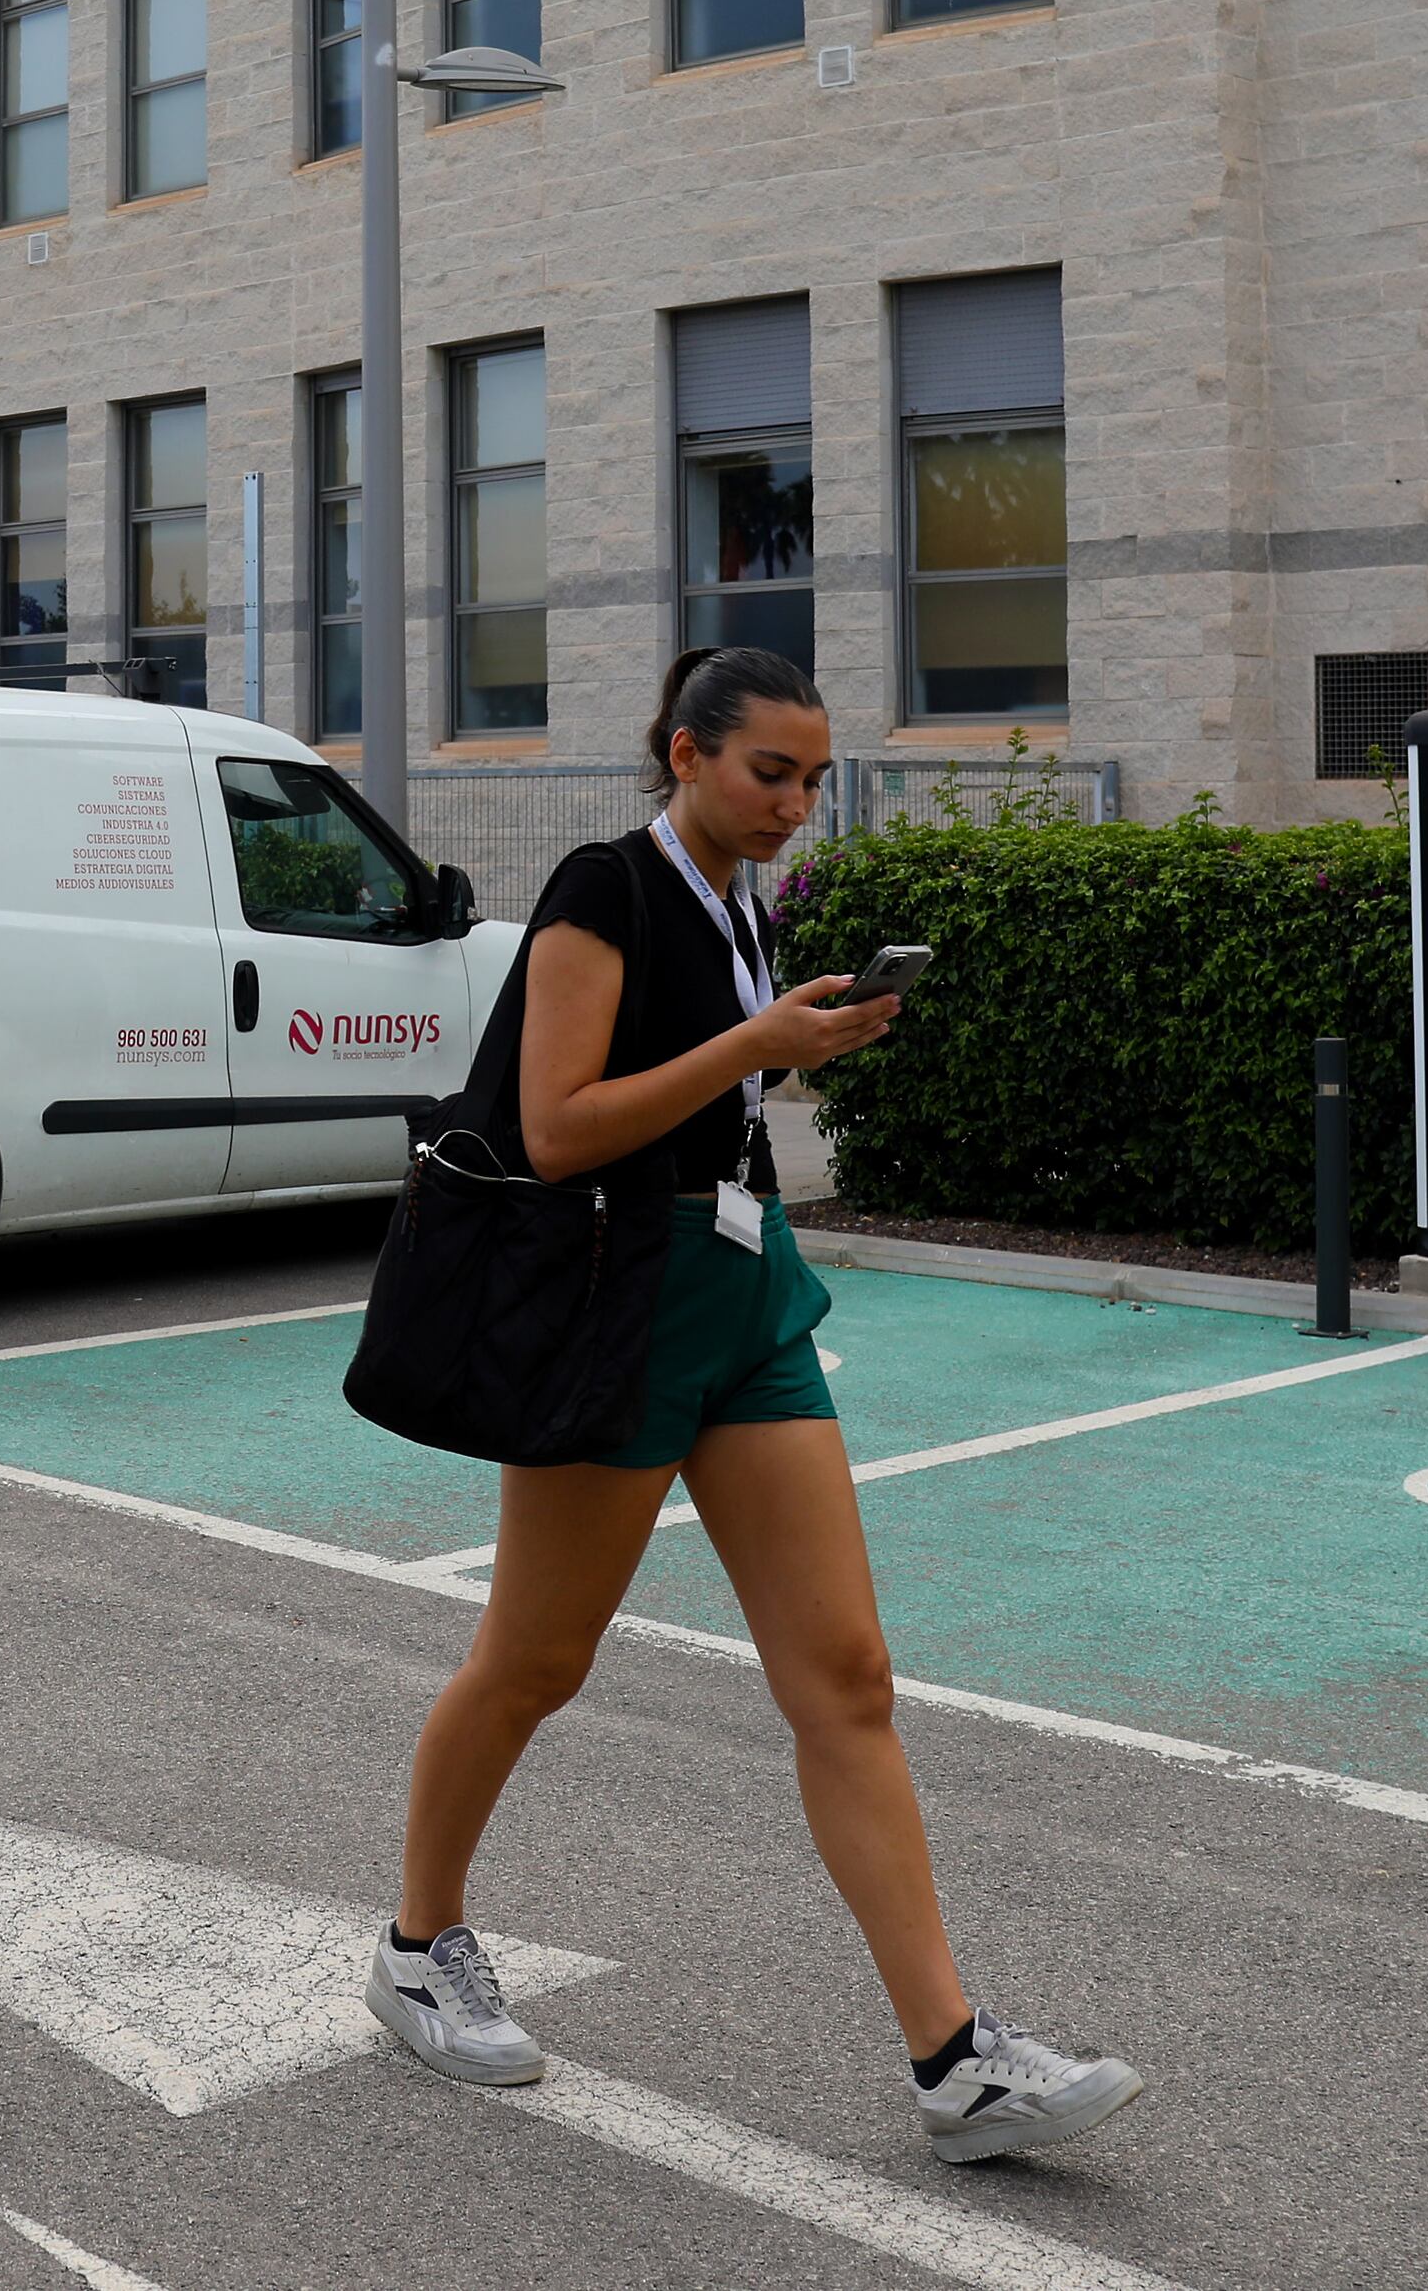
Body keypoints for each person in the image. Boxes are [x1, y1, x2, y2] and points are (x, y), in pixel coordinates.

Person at [363, 644, 1146, 2163]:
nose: (795, 803)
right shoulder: (606, 889)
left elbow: (703, 1091)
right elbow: (556, 1122)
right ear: (685, 753)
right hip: (619, 1304)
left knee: (847, 1672)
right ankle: (417, 1946)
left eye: (812, 776)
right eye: (767, 772)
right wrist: (756, 1043)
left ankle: (952, 2059)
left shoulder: (738, 900)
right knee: (533, 1660)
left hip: (744, 1291)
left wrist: (789, 1048)